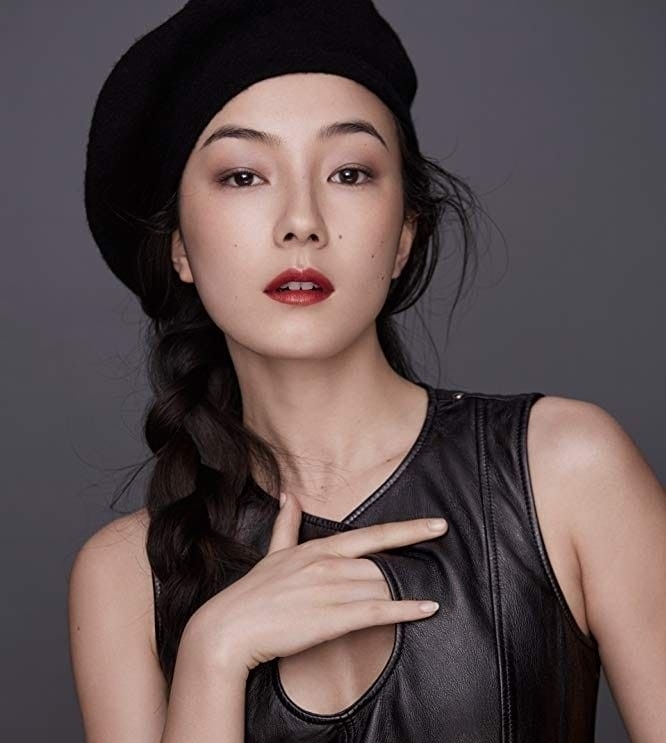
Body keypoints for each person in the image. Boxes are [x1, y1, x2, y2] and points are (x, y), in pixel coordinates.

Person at [68, 2, 665, 742]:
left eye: (349, 172)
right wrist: (213, 655)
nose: (302, 221)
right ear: (180, 246)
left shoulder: (568, 469)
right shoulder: (126, 574)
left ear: (406, 231)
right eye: (244, 176)